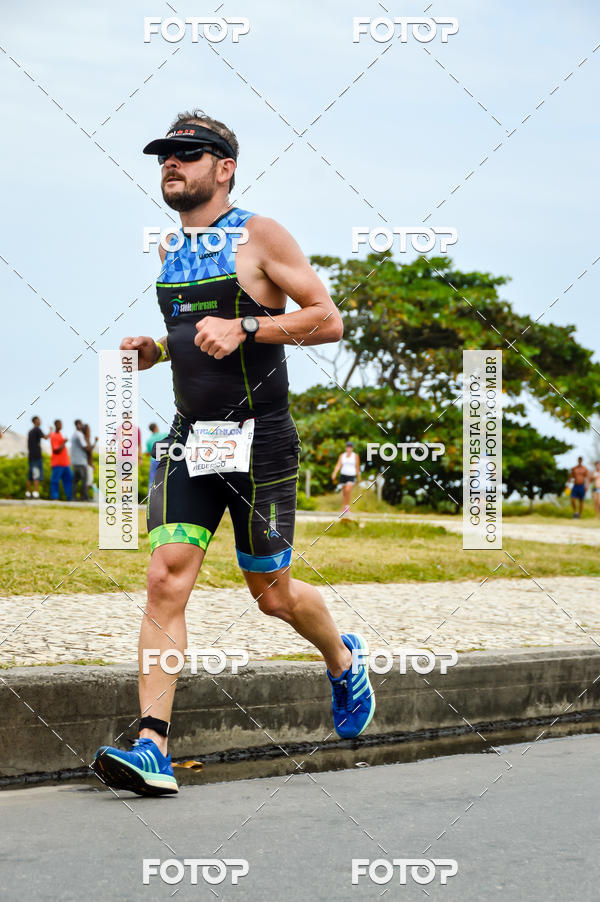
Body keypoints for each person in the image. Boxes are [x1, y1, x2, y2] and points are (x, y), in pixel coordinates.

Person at [93, 110, 375, 796]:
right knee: (167, 576)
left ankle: (342, 659)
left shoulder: (261, 235)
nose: (172, 162)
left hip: (263, 441)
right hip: (192, 438)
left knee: (271, 596)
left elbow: (328, 319)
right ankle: (153, 745)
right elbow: (194, 336)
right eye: (165, 153)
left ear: (224, 168)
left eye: (189, 153)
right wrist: (155, 351)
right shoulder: (170, 251)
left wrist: (249, 324)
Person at [332, 441, 360, 516]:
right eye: (348, 447)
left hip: (351, 475)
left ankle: (347, 507)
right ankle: (344, 507)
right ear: (346, 448)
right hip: (343, 475)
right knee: (344, 493)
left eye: (350, 447)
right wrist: (334, 473)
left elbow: (357, 467)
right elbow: (338, 465)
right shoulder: (342, 456)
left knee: (348, 490)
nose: (349, 449)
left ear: (352, 448)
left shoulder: (355, 456)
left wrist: (359, 477)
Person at [49, 420, 72, 501]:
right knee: (55, 480)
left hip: (65, 463)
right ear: (55, 425)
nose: (61, 425)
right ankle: (54, 497)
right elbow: (56, 450)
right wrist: (64, 443)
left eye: (61, 424)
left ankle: (70, 497)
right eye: (59, 424)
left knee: (69, 479)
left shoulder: (60, 434)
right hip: (57, 463)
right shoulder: (54, 436)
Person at [26, 416, 47, 499]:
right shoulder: (37, 429)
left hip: (31, 456)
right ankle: (35, 494)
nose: (40, 421)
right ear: (35, 421)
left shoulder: (30, 431)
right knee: (36, 475)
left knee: (30, 476)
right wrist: (51, 431)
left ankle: (27, 493)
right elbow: (45, 437)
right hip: (36, 456)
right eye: (38, 420)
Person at [70, 420, 91, 501]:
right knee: (84, 480)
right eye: (81, 424)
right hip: (81, 461)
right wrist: (92, 446)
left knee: (75, 481)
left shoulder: (74, 434)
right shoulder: (79, 435)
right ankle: (84, 497)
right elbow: (85, 447)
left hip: (75, 462)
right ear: (78, 425)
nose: (82, 426)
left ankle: (73, 497)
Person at [146, 422, 169, 493]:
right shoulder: (164, 435)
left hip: (153, 461)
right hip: (163, 460)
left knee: (152, 480)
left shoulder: (148, 440)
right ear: (156, 428)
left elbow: (149, 452)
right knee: (164, 479)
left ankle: (150, 499)